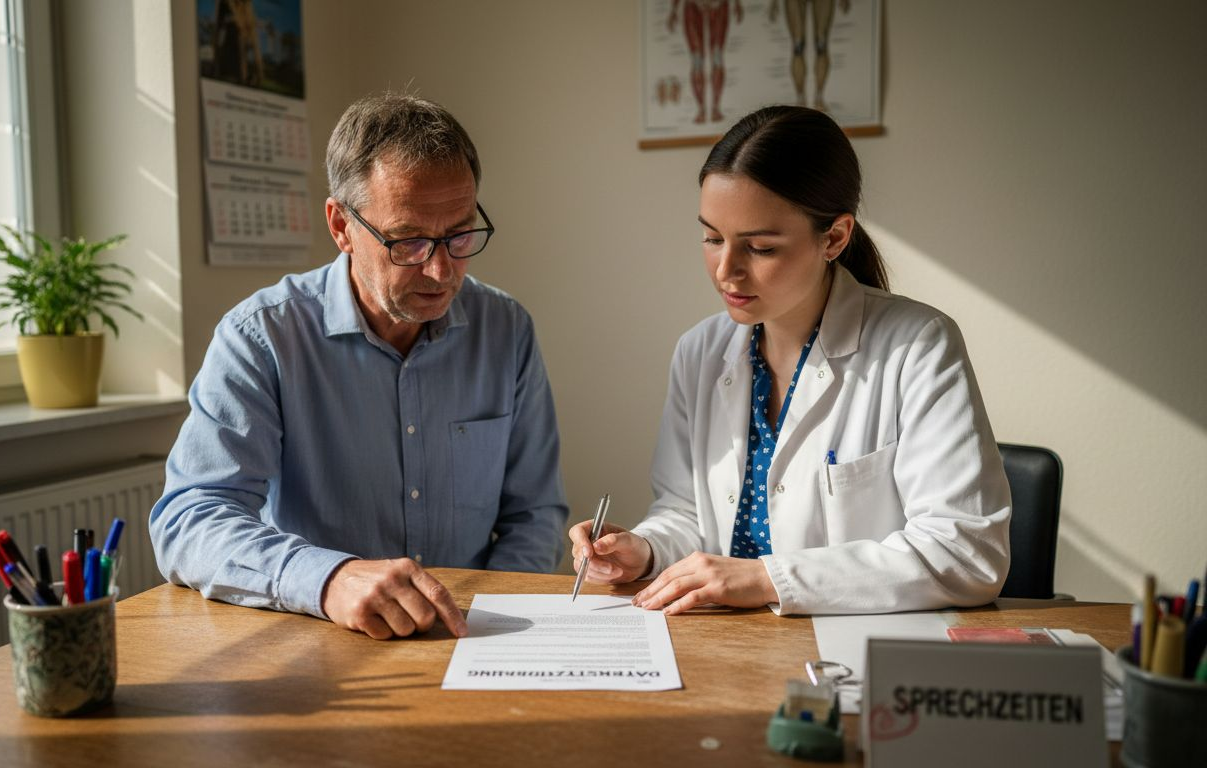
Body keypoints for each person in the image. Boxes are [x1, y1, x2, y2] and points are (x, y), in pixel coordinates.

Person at [152, 93, 569, 639]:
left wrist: (489, 621)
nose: (441, 271)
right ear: (341, 226)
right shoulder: (262, 337)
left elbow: (534, 515)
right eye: (410, 241)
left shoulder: (505, 329)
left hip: (472, 636)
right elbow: (191, 519)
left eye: (460, 235)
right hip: (321, 636)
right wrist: (328, 580)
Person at [571, 106, 1010, 616]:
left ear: (834, 238)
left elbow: (965, 553)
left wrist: (767, 578)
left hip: (847, 647)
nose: (726, 270)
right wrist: (644, 551)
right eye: (712, 238)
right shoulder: (700, 352)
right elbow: (687, 512)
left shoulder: (918, 346)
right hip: (720, 639)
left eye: (759, 247)